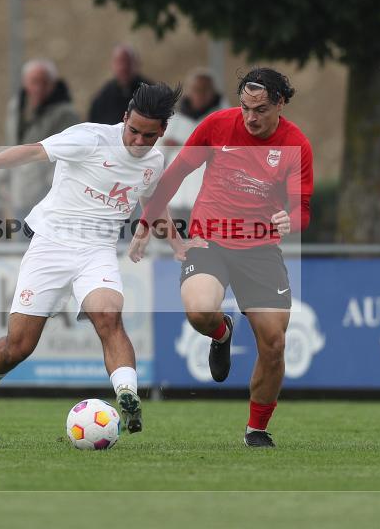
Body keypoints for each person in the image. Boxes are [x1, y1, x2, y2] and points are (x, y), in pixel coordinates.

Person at [0, 83, 182, 434]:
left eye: (148, 136)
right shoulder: (88, 138)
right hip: (51, 245)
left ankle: (128, 396)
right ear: (124, 118)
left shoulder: (154, 161)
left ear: (162, 131)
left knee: (109, 317)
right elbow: (33, 151)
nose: (138, 142)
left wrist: (175, 243)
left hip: (98, 251)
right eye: (133, 131)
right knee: (19, 346)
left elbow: (153, 201)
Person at [133, 67, 314, 448]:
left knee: (274, 344)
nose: (251, 117)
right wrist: (147, 223)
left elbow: (303, 210)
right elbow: (175, 174)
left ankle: (257, 429)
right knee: (199, 311)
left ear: (280, 104)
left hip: (261, 249)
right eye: (246, 107)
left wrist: (289, 220)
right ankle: (221, 332)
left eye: (261, 109)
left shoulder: (296, 144)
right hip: (209, 240)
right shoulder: (216, 125)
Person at [3, 59, 80, 218]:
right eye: (34, 82)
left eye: (44, 82)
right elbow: (10, 144)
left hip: (48, 198)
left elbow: (65, 154)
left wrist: (49, 189)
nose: (38, 88)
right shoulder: (16, 108)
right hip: (19, 194)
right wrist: (5, 182)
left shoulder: (65, 114)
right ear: (25, 83)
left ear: (53, 85)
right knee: (20, 240)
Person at [162, 68, 228, 223]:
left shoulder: (225, 119)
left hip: (210, 201)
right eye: (196, 89)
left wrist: (182, 146)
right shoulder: (174, 120)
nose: (200, 94)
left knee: (207, 244)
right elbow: (158, 153)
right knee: (177, 244)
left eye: (205, 90)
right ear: (189, 92)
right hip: (177, 198)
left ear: (213, 92)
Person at [88, 44, 152, 125]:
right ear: (112, 65)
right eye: (119, 62)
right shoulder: (102, 99)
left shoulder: (150, 93)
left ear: (136, 64)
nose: (123, 67)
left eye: (127, 62)